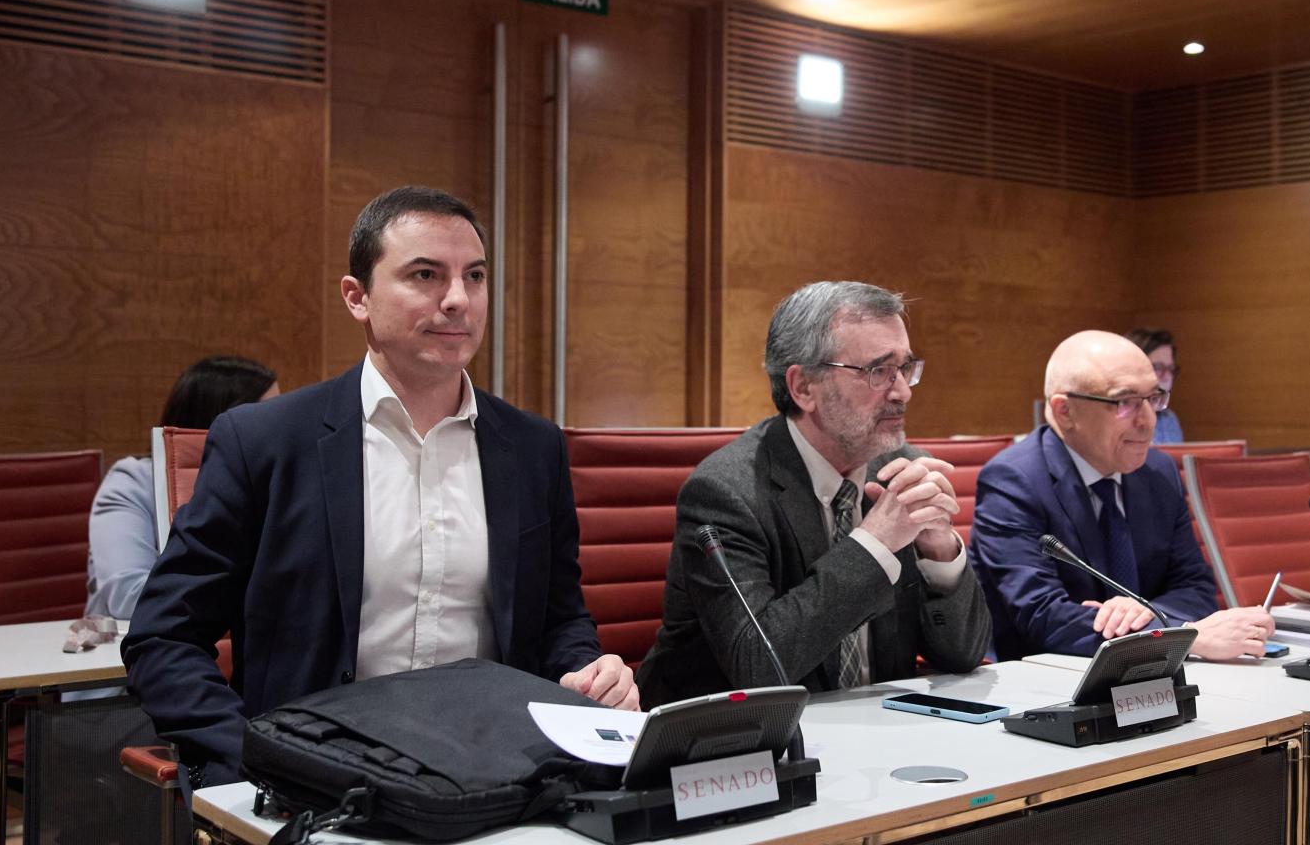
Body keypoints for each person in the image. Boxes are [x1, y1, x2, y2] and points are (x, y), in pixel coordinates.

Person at [123, 186, 635, 792]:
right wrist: (252, 759)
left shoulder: (531, 448)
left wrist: (587, 672)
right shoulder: (262, 441)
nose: (457, 300)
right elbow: (165, 636)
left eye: (473, 277)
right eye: (425, 274)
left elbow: (557, 621)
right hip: (317, 781)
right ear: (357, 297)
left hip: (493, 777)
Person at [635, 281, 992, 708]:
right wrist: (873, 545)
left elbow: (964, 654)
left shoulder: (901, 471)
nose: (903, 391)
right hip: (741, 753)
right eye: (878, 371)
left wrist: (939, 556)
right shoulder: (725, 493)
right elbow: (759, 664)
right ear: (804, 387)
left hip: (881, 739)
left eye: (905, 368)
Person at [969, 330, 1274, 661]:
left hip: (1149, 678)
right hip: (1049, 681)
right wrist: (1180, 635)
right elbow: (1043, 617)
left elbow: (1196, 589)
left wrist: (1146, 616)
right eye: (1126, 403)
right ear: (1064, 411)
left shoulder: (1159, 473)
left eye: (1154, 398)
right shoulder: (1014, 481)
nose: (1148, 421)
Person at [85, 356, 279, 622]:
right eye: (267, 416)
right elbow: (127, 595)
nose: (278, 429)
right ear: (220, 422)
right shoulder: (132, 483)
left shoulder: (269, 484)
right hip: (144, 651)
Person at [1124, 327, 1184, 444]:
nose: (1166, 376)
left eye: (1170, 368)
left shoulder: (1169, 419)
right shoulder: (1120, 415)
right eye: (1157, 367)